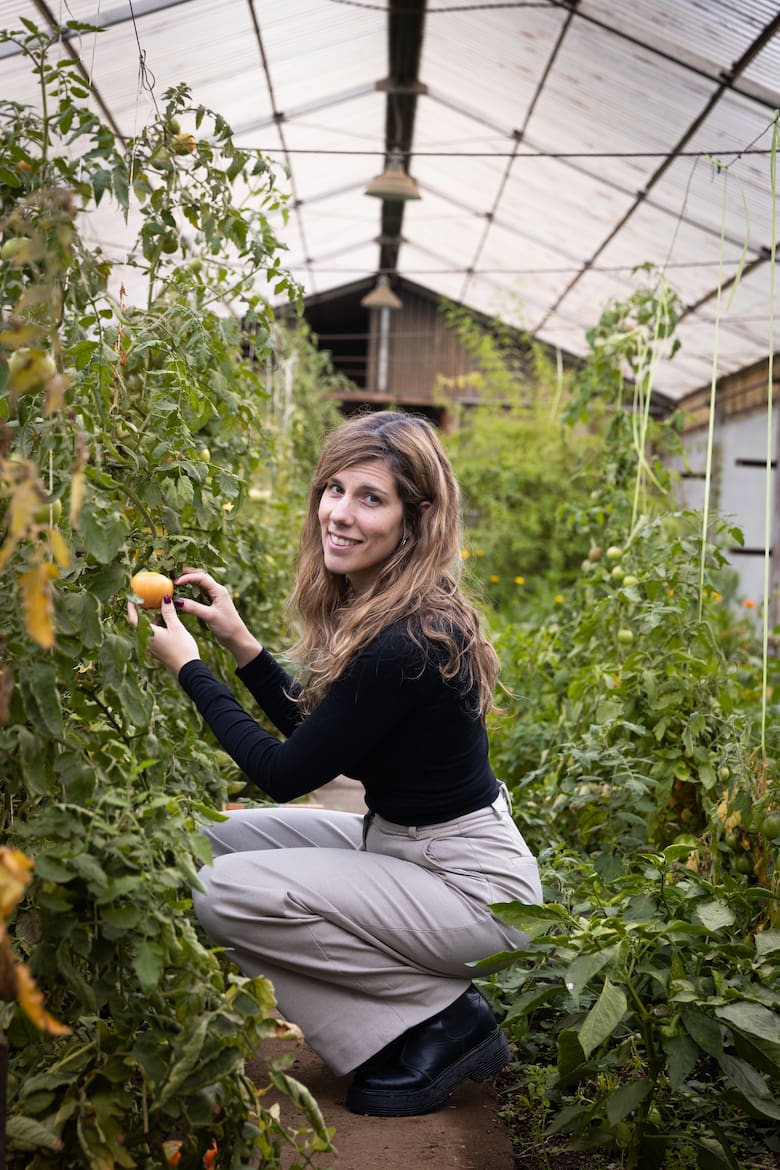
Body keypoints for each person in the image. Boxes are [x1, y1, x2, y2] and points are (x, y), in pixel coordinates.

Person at [130, 409, 542, 1117]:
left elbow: (287, 773)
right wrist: (244, 648)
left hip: (474, 891)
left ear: (415, 519)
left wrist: (190, 670)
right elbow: (328, 734)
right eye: (334, 489)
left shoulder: (408, 639)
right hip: (407, 852)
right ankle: (428, 1017)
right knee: (190, 844)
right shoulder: (399, 610)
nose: (340, 515)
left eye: (370, 498)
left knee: (224, 891)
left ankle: (437, 1020)